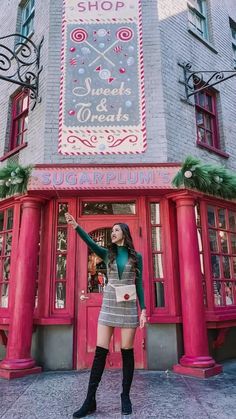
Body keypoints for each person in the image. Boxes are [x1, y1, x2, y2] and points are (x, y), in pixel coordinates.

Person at [65, 213, 147, 418]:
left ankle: (125, 396)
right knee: (100, 352)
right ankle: (89, 400)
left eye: (116, 230)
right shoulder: (107, 253)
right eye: (112, 231)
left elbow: (139, 283)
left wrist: (143, 309)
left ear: (124, 234)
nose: (113, 233)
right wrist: (76, 226)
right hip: (110, 303)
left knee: (127, 351)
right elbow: (90, 242)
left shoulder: (136, 257)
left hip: (128, 305)